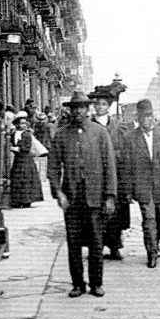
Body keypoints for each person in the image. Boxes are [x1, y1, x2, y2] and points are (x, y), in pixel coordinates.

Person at [48, 91, 117, 298]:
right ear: (70, 110)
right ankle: (78, 283)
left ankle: (96, 283)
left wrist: (110, 196)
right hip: (72, 200)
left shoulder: (99, 133)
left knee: (96, 243)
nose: (78, 112)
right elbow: (52, 167)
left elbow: (109, 166)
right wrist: (58, 192)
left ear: (88, 110)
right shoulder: (61, 134)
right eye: (74, 108)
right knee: (74, 243)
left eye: (82, 108)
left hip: (95, 198)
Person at [127, 99, 160, 268]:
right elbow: (126, 166)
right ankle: (152, 252)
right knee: (148, 219)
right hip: (142, 186)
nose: (147, 120)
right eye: (143, 117)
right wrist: (128, 191)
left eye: (150, 116)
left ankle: (155, 244)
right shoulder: (130, 138)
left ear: (154, 116)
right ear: (138, 118)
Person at [90, 87, 131, 261]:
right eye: (97, 104)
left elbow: (125, 149)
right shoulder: (90, 125)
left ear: (109, 106)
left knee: (115, 213)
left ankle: (115, 247)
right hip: (95, 175)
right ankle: (97, 247)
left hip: (116, 175)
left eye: (103, 104)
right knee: (97, 214)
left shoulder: (117, 126)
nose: (100, 107)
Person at [9, 111, 43, 208]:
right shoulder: (14, 133)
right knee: (17, 179)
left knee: (26, 179)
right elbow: (11, 143)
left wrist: (15, 148)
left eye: (25, 123)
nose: (23, 125)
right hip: (18, 160)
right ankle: (18, 200)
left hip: (26, 159)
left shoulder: (27, 134)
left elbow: (26, 148)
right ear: (17, 124)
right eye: (21, 123)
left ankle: (27, 200)